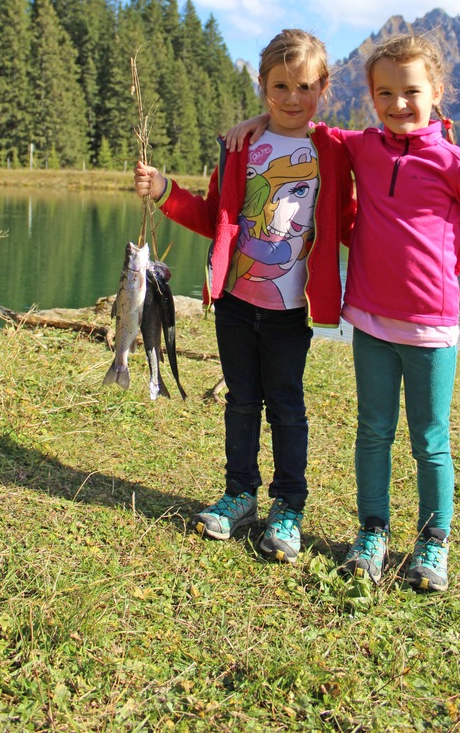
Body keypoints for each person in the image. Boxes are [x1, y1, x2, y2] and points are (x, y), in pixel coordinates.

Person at [225, 31, 460, 590]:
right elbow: (305, 125)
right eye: (384, 93)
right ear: (371, 95)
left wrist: (450, 265)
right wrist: (254, 125)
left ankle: (433, 544)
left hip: (432, 327)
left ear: (436, 92)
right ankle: (373, 531)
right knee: (373, 432)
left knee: (430, 439)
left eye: (411, 92)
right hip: (371, 322)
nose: (398, 104)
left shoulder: (459, 163)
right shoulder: (363, 147)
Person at [134, 29, 356, 563]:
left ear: (323, 87)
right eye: (279, 86)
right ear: (262, 85)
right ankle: (239, 495)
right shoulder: (241, 147)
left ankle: (288, 508)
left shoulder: (333, 149)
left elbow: (352, 219)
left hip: (291, 310)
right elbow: (216, 218)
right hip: (234, 302)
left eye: (304, 86)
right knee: (240, 401)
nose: (291, 98)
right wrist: (165, 191)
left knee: (287, 406)